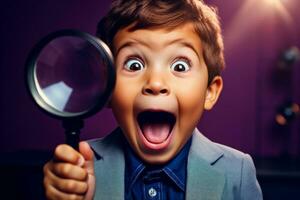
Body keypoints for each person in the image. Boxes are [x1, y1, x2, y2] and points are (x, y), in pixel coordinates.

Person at [43, 0, 263, 199]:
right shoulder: (77, 171)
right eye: (134, 65)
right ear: (106, 88)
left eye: (180, 66)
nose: (155, 83)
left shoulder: (238, 171)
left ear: (209, 92)